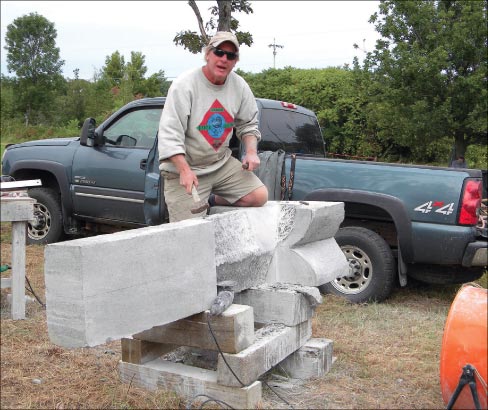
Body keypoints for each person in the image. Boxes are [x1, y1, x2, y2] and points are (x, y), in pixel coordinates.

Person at [158, 31, 268, 222]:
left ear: (235, 61)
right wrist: (184, 170)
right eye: (219, 52)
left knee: (259, 196)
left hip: (221, 164)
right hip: (186, 169)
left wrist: (251, 152)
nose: (224, 59)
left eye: (231, 55)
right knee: (189, 236)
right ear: (207, 54)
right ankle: (199, 196)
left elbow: (248, 124)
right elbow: (170, 134)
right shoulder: (184, 85)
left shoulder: (240, 86)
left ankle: (210, 198)